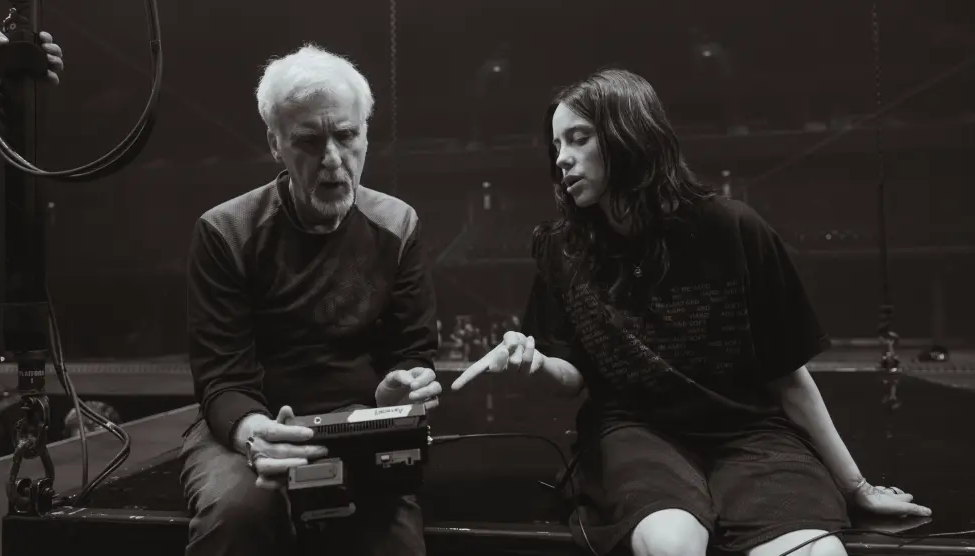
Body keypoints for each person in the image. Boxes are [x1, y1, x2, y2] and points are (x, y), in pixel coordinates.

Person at [451, 69, 930, 556]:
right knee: (672, 543)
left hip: (750, 435)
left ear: (629, 135)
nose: (561, 159)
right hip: (635, 432)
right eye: (556, 146)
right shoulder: (562, 249)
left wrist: (857, 487)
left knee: (816, 552)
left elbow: (789, 378)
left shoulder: (733, 228)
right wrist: (534, 364)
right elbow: (571, 374)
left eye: (578, 138)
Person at [181, 43, 441, 556]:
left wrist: (399, 391)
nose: (333, 160)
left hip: (360, 423)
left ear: (365, 133)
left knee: (393, 543)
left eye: (346, 135)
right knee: (236, 515)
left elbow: (412, 353)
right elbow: (222, 379)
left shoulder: (398, 225)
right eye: (308, 141)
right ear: (275, 144)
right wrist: (254, 433)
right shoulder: (225, 231)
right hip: (252, 422)